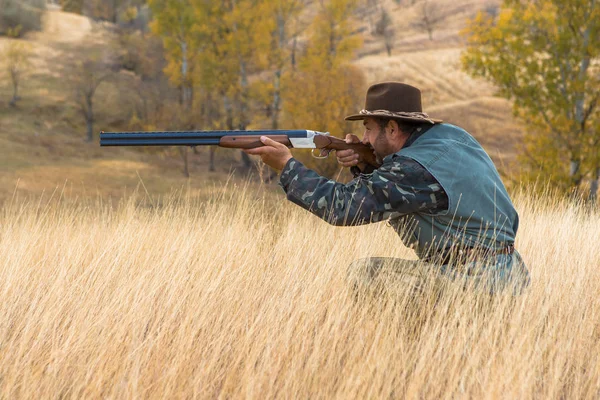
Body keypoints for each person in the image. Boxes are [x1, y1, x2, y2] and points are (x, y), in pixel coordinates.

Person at [244, 82, 530, 296]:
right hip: (505, 274)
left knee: (367, 273)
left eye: (368, 128)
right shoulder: (449, 140)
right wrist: (367, 167)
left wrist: (287, 167)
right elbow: (409, 193)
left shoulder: (415, 168)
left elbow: (342, 208)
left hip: (478, 282)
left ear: (392, 129)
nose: (363, 138)